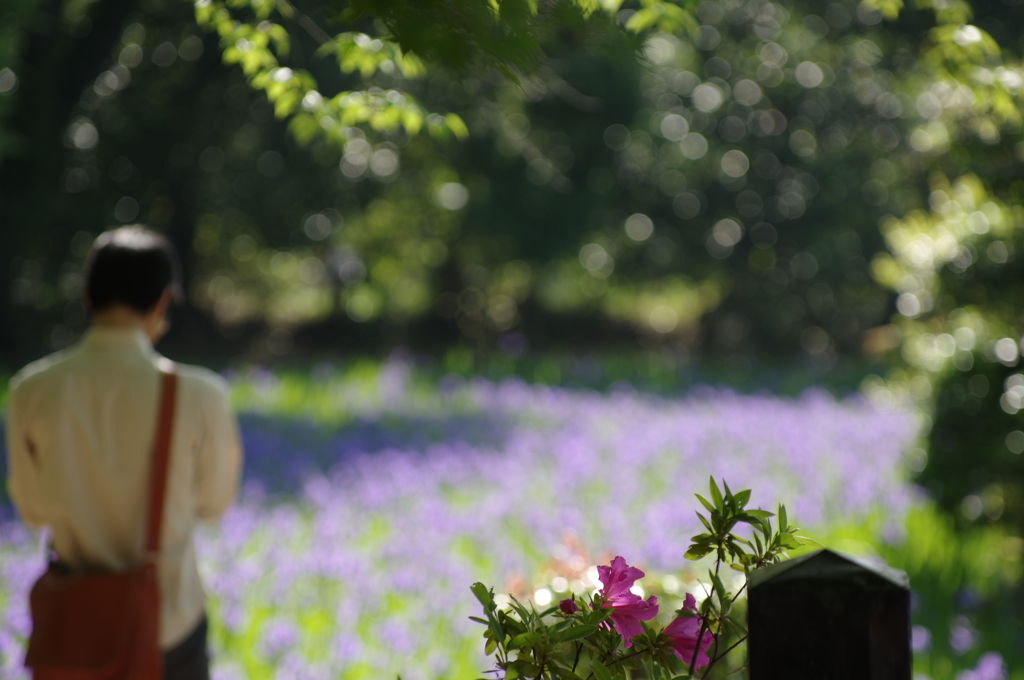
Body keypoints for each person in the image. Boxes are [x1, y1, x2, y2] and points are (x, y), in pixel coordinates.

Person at [5, 226, 243, 680]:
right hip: (170, 622)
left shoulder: (30, 390)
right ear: (162, 302)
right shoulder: (200, 394)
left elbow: (34, 512)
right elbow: (213, 506)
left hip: (75, 626)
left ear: (87, 298)